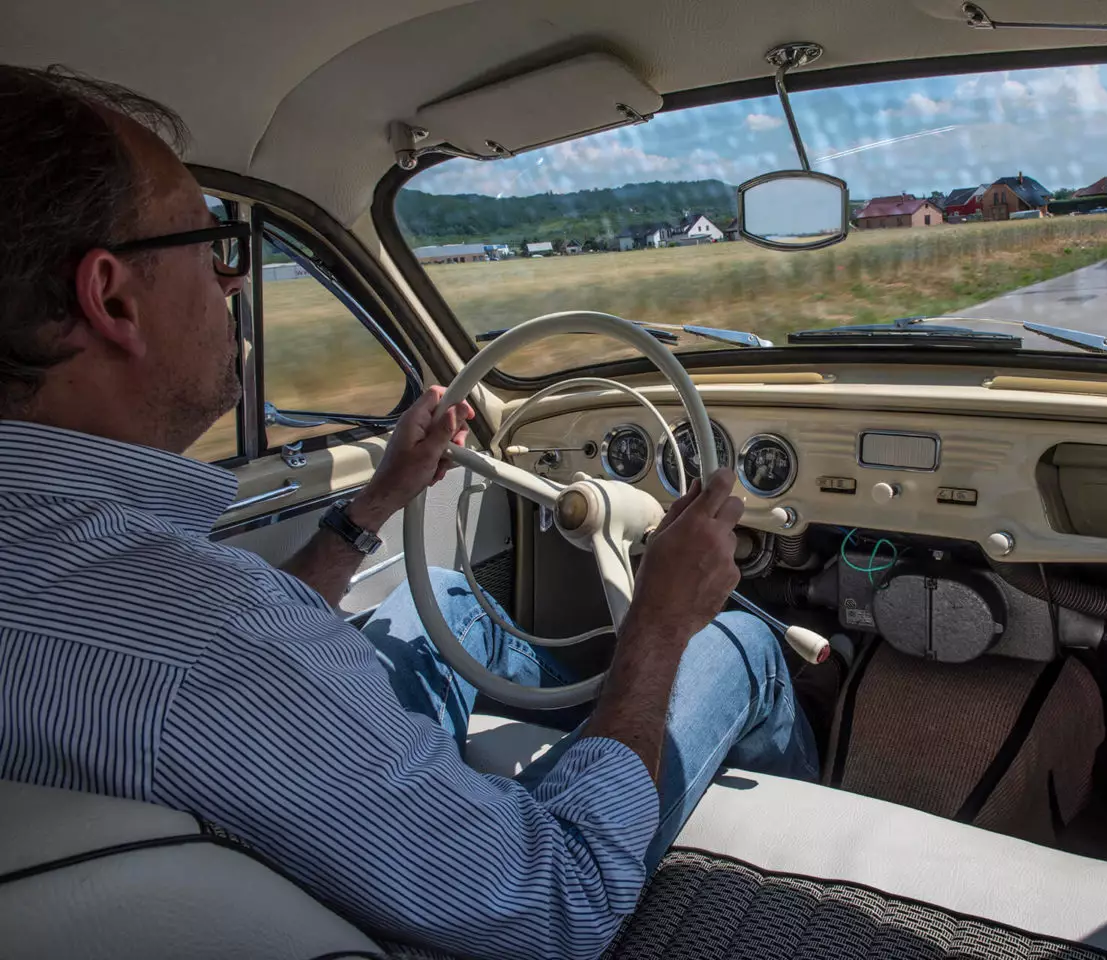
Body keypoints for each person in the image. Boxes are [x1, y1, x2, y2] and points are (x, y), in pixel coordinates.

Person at [0, 65, 821, 959]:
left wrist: (376, 503)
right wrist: (659, 628)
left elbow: (239, 655)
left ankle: (581, 740)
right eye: (213, 247)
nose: (232, 283)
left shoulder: (89, 581)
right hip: (524, 906)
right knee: (740, 647)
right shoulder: (208, 648)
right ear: (113, 296)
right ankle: (772, 895)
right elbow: (557, 900)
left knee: (450, 599)